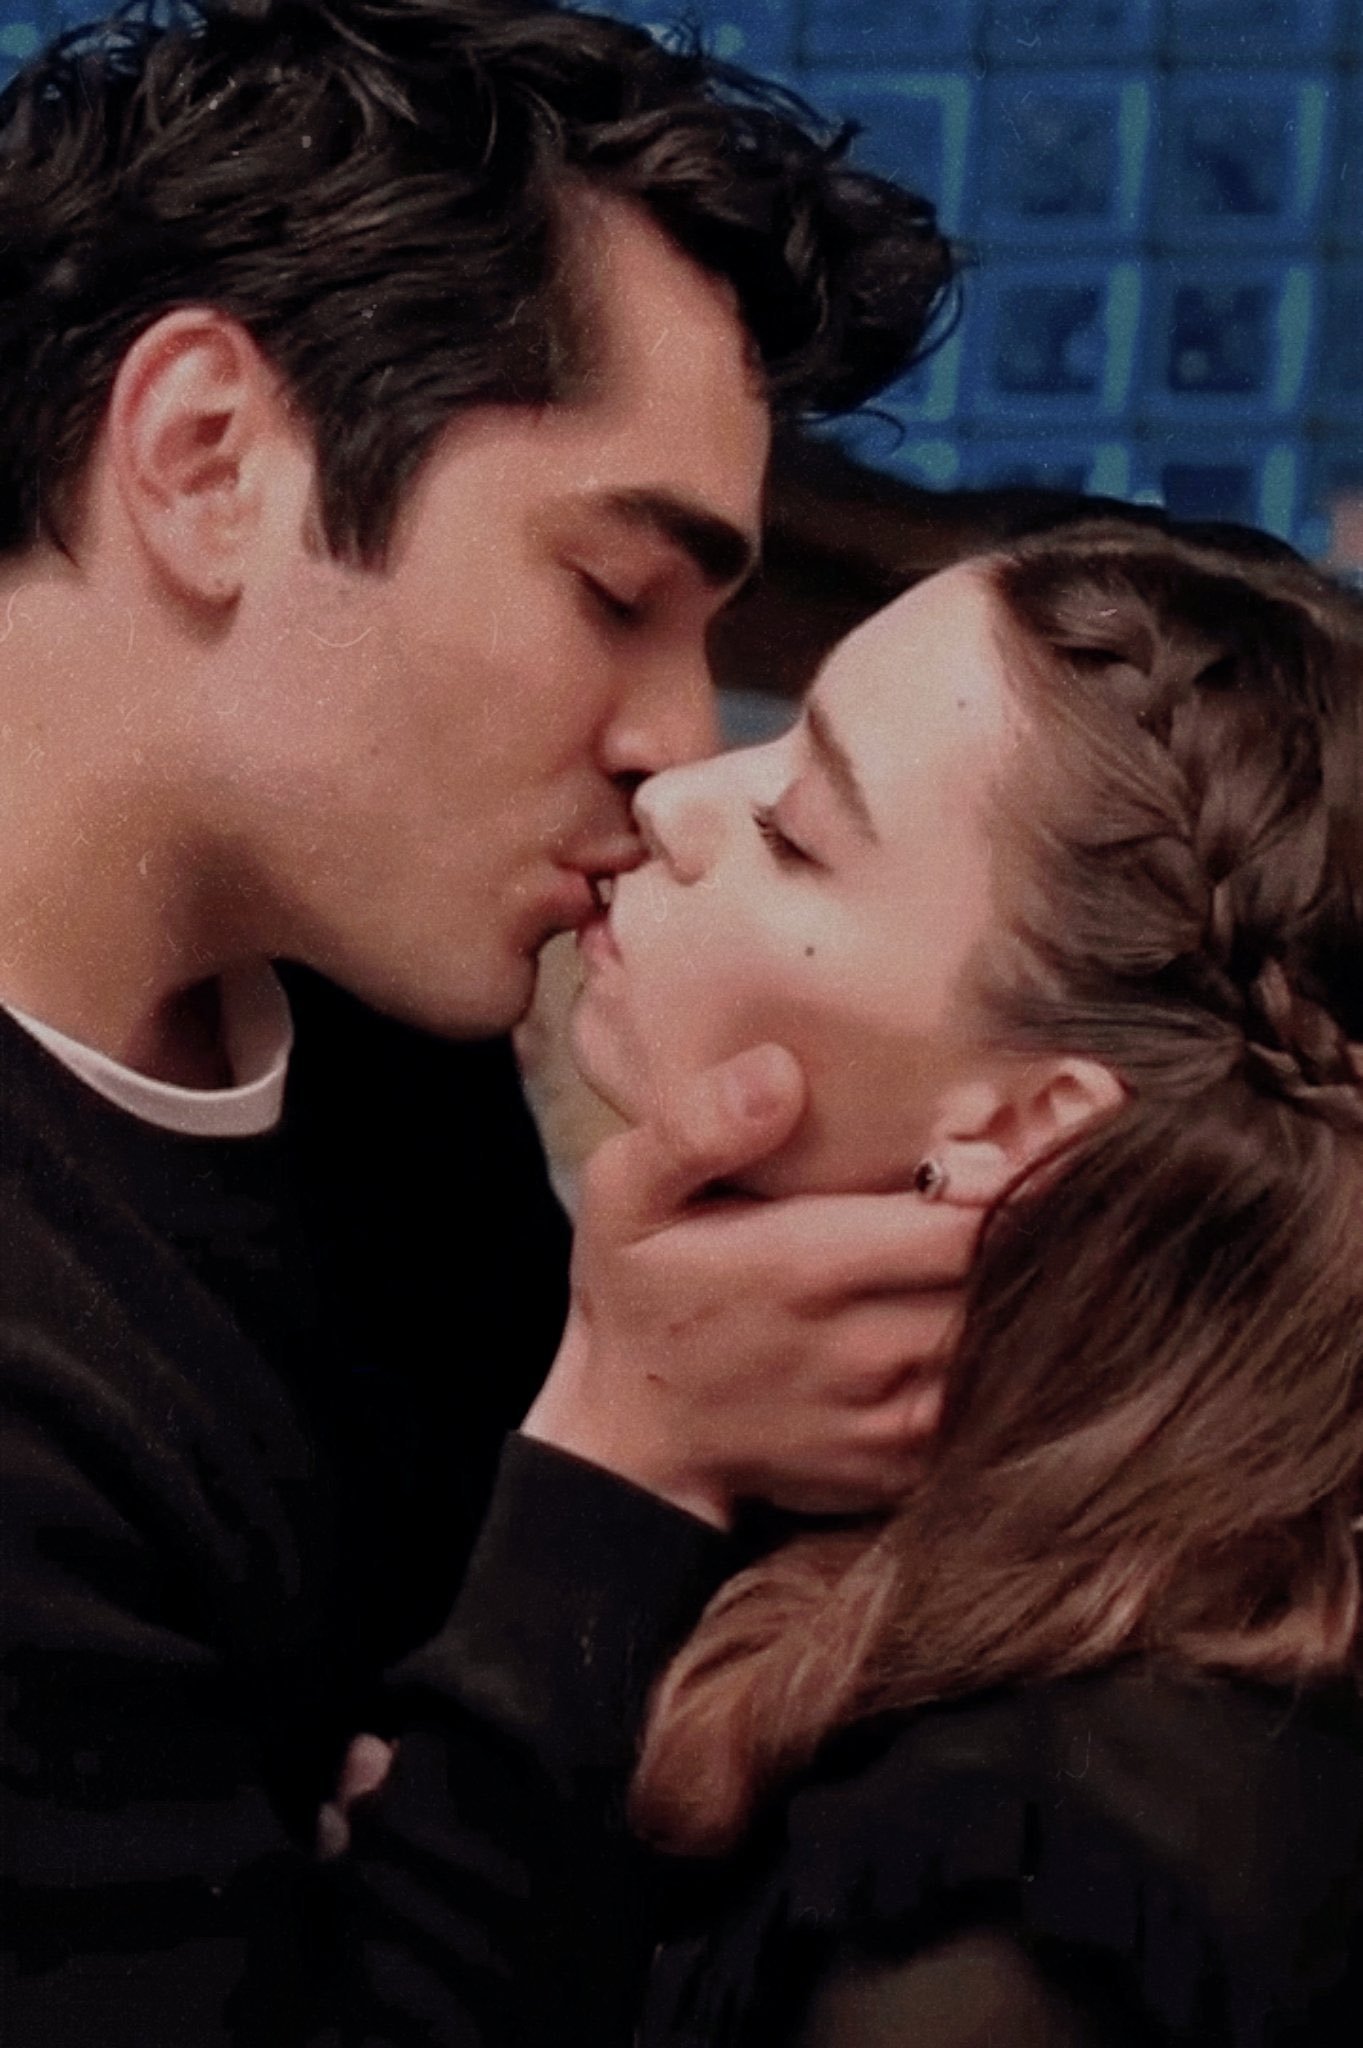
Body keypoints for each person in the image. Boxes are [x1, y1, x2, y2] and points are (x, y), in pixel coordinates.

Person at [0, 3, 968, 2042]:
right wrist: (634, 1452)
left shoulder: (379, 1017)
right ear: (207, 457)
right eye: (616, 592)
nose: (675, 743)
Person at [558, 515, 1363, 2045]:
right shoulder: (856, 1526)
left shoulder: (1000, 1907)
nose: (673, 795)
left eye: (799, 832)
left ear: (1024, 1123)